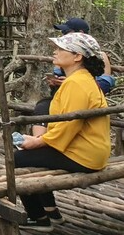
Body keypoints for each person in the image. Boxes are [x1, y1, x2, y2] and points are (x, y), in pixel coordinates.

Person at [15, 32, 111, 232]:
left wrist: (37, 142)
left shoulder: (76, 83)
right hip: (90, 150)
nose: (55, 51)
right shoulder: (83, 79)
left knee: (18, 159)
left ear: (77, 56)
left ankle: (39, 217)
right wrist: (41, 140)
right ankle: (50, 212)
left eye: (61, 49)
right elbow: (66, 125)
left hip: (84, 154)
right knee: (29, 155)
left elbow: (69, 125)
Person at [31, 18, 114, 137]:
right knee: (43, 106)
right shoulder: (64, 57)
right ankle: (38, 139)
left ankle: (40, 143)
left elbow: (105, 83)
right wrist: (56, 81)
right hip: (62, 96)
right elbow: (58, 73)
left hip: (83, 102)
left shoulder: (97, 56)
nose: (63, 35)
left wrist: (71, 83)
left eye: (66, 32)